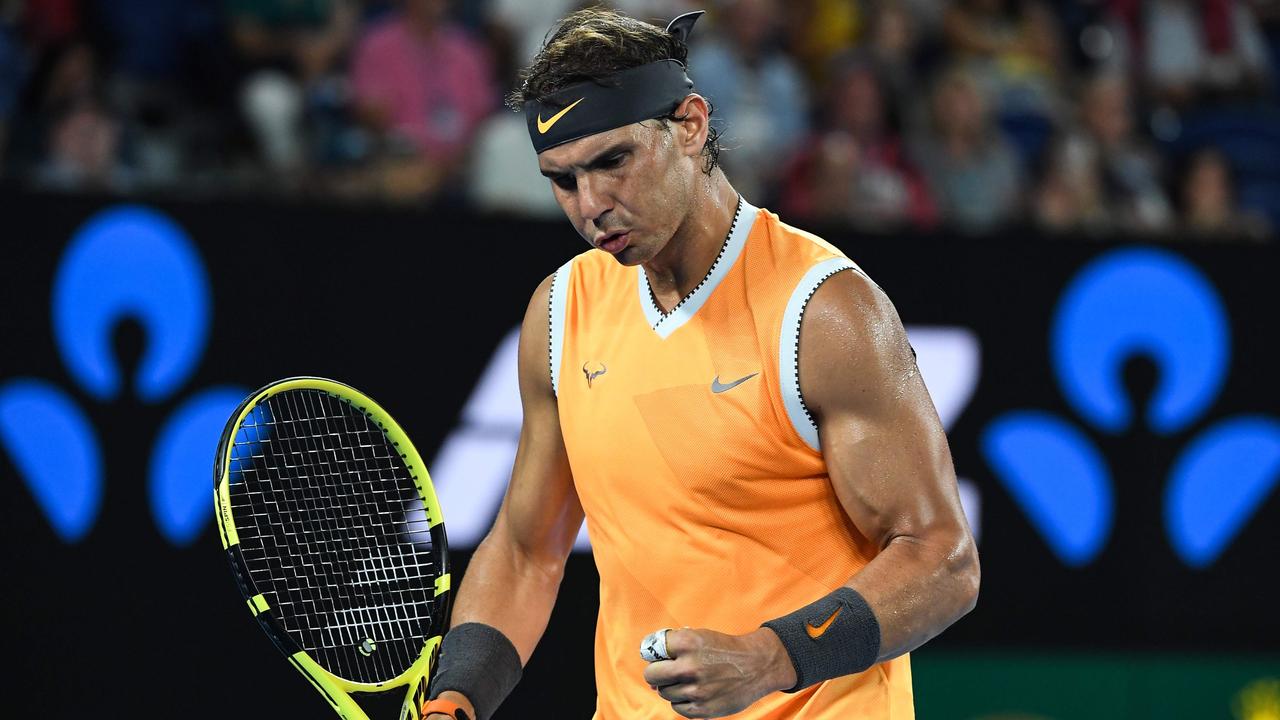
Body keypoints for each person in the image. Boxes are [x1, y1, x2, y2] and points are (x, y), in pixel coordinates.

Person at [421, 8, 979, 720]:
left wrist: (773, 657)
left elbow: (942, 560)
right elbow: (528, 552)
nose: (591, 205)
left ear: (689, 125)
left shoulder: (825, 312)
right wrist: (456, 699)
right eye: (563, 180)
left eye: (612, 160)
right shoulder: (561, 314)